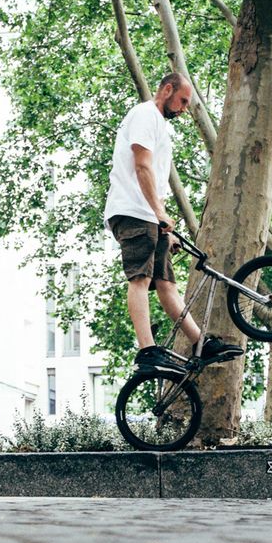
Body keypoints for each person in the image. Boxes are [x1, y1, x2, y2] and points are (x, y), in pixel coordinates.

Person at [104, 73, 242, 372]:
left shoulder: (159, 126)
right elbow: (141, 166)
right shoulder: (145, 115)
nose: (183, 108)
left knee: (166, 283)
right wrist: (159, 213)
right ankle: (147, 350)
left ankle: (200, 343)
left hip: (148, 213)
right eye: (182, 100)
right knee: (139, 279)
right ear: (167, 89)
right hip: (132, 211)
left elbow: (153, 177)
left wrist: (165, 222)